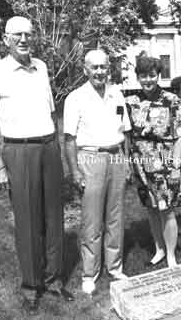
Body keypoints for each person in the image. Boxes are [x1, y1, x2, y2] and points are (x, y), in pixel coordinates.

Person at [0, 16, 73, 313]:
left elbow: (50, 110)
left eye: (28, 34)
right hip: (19, 151)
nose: (24, 39)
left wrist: (56, 145)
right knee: (28, 220)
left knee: (54, 217)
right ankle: (32, 286)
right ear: (6, 39)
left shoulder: (42, 67)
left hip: (48, 146)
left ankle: (55, 280)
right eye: (17, 35)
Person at [64, 49, 132, 295]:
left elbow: (124, 131)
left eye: (103, 67)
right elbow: (69, 139)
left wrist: (127, 163)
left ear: (109, 68)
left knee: (115, 217)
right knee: (92, 221)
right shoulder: (75, 98)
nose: (100, 71)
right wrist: (75, 173)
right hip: (90, 159)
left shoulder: (117, 94)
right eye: (95, 67)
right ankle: (90, 273)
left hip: (116, 157)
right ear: (86, 70)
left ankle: (114, 268)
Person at [125, 56, 181, 267]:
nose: (148, 80)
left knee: (166, 209)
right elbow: (125, 134)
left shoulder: (171, 100)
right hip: (141, 165)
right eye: (143, 76)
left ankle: (171, 254)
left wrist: (176, 166)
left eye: (152, 75)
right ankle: (159, 249)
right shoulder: (132, 102)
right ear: (138, 77)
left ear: (158, 75)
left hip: (165, 164)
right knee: (152, 209)